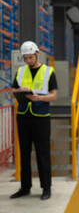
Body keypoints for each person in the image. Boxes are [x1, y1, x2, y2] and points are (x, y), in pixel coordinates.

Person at [10, 41, 58, 200]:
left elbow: (54, 95)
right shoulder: (20, 72)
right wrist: (19, 90)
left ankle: (46, 188)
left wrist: (40, 98)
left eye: (30, 57)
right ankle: (25, 187)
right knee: (24, 153)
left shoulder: (48, 72)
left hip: (41, 117)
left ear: (37, 54)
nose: (28, 60)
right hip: (23, 116)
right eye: (25, 58)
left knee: (42, 153)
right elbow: (12, 93)